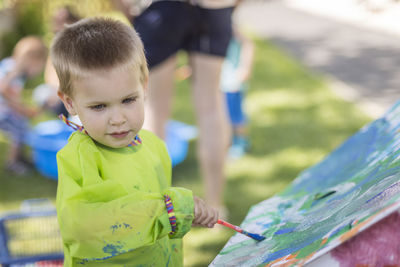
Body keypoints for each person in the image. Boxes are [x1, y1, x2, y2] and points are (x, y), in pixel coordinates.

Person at [52, 17, 218, 266]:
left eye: (128, 100)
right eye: (99, 106)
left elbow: (159, 219)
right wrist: (168, 211)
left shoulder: (154, 146)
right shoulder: (79, 157)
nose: (118, 119)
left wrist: (182, 214)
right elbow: (84, 227)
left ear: (144, 86)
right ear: (70, 103)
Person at [115, 0, 236, 214]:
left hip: (162, 10)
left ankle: (156, 205)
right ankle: (216, 207)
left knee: (154, 108)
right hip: (215, 7)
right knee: (211, 106)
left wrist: (125, 9)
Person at [0, 36, 47, 175]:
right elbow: (3, 89)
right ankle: (12, 163)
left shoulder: (17, 72)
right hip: (2, 112)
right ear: (30, 59)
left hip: (6, 110)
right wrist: (21, 109)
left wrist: (22, 109)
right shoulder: (11, 68)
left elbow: (12, 96)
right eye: (39, 65)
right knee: (19, 127)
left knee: (23, 124)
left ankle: (20, 157)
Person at [33, 5, 80, 117]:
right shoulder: (55, 45)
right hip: (60, 89)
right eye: (57, 21)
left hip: (77, 86)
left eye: (63, 20)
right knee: (41, 92)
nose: (59, 25)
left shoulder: (80, 42)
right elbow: (49, 75)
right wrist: (59, 90)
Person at [220, 24, 254, 159]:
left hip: (231, 81)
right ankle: (228, 142)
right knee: (223, 114)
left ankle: (240, 142)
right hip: (220, 82)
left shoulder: (229, 25)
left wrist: (245, 68)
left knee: (234, 115)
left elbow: (248, 44)